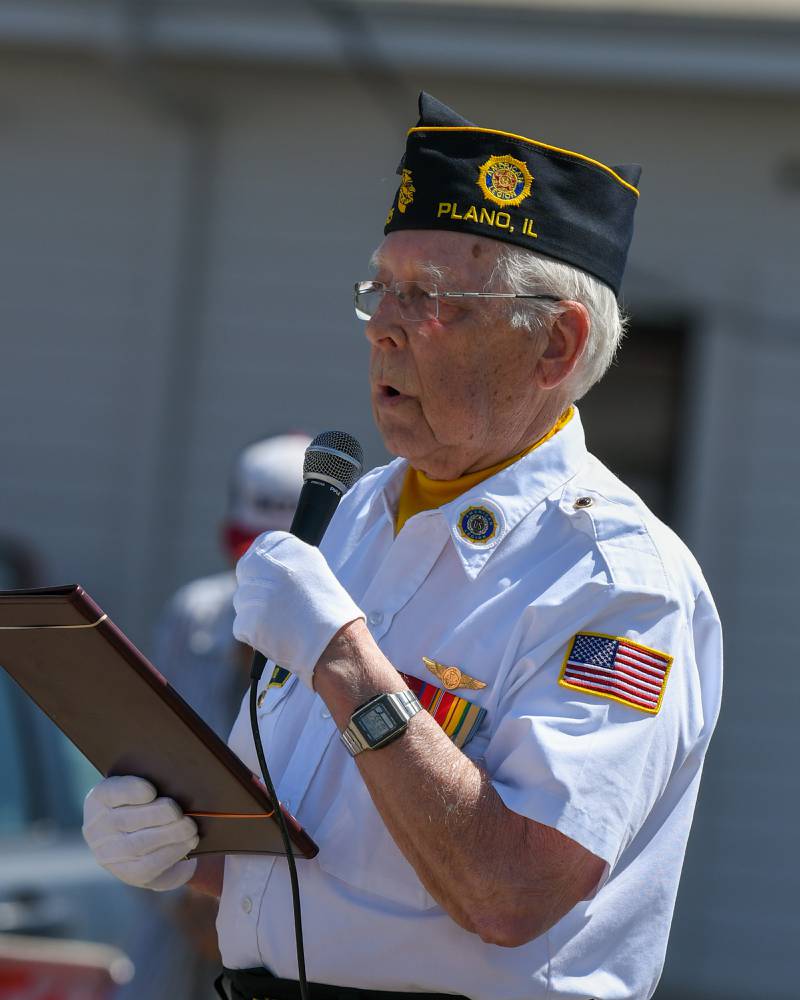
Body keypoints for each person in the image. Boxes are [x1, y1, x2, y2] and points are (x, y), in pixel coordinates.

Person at [82, 93, 723, 1000]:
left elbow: (511, 894)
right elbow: (332, 866)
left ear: (554, 343)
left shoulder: (616, 578)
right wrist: (180, 842)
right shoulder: (351, 516)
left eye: (431, 300)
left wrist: (346, 662)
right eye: (380, 288)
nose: (383, 324)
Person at [111, 433, 309, 1000]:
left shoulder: (356, 645)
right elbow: (145, 767)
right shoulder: (193, 618)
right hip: (175, 943)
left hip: (289, 945)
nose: (263, 576)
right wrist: (184, 895)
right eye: (251, 555)